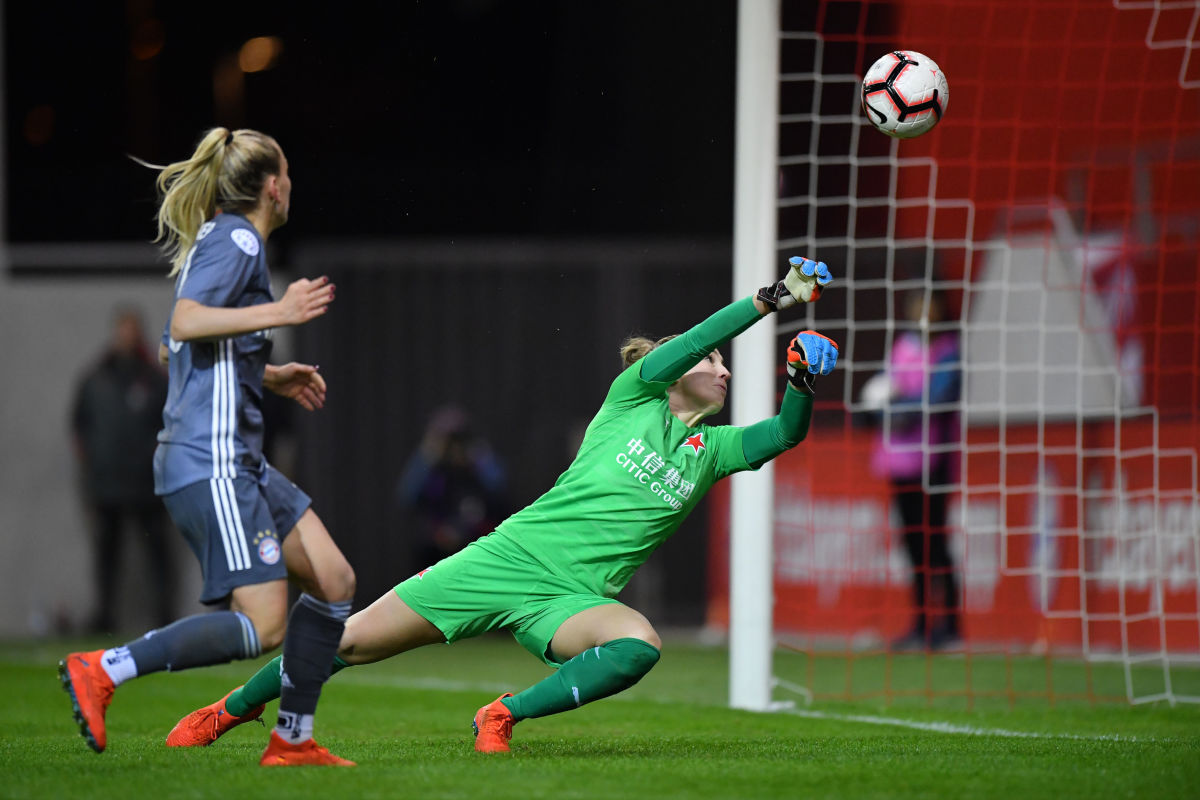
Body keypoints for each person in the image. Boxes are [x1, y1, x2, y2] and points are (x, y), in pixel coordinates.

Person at [165, 256, 838, 756]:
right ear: (671, 368)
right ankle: (230, 710)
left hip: (571, 598)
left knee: (639, 646)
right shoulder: (631, 396)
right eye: (713, 362)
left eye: (725, 363)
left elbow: (785, 434)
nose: (722, 370)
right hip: (506, 558)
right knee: (351, 643)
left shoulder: (710, 450)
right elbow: (692, 341)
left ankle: (503, 715)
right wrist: (771, 299)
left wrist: (801, 383)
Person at [58, 127, 357, 767]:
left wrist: (272, 375)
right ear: (272, 185)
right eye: (288, 172)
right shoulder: (241, 238)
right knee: (263, 624)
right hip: (211, 458)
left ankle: (293, 741)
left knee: (334, 579)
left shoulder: (220, 238)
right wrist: (282, 312)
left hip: (233, 458)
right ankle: (105, 667)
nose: (292, 184)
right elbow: (186, 323)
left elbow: (175, 349)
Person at [864, 286, 962, 650]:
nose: (922, 310)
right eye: (916, 303)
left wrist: (891, 408)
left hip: (933, 461)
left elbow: (934, 402)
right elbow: (876, 397)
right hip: (898, 463)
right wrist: (882, 407)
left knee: (936, 542)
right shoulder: (902, 348)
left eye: (929, 303)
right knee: (913, 545)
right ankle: (922, 626)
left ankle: (950, 628)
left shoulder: (949, 353)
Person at [71, 306, 172, 633]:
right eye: (122, 329)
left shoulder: (155, 379)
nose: (126, 336)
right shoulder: (95, 378)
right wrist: (93, 464)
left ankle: (164, 616)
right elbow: (79, 427)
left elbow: (172, 424)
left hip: (147, 484)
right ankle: (104, 615)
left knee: (156, 552)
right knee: (107, 555)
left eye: (132, 329)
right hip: (107, 484)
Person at [395, 406, 510, 572]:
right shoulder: (432, 467)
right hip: (436, 547)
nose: (453, 448)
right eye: (449, 442)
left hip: (475, 544)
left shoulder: (478, 464)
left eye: (459, 441)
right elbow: (407, 497)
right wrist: (427, 456)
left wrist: (478, 456)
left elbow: (500, 492)